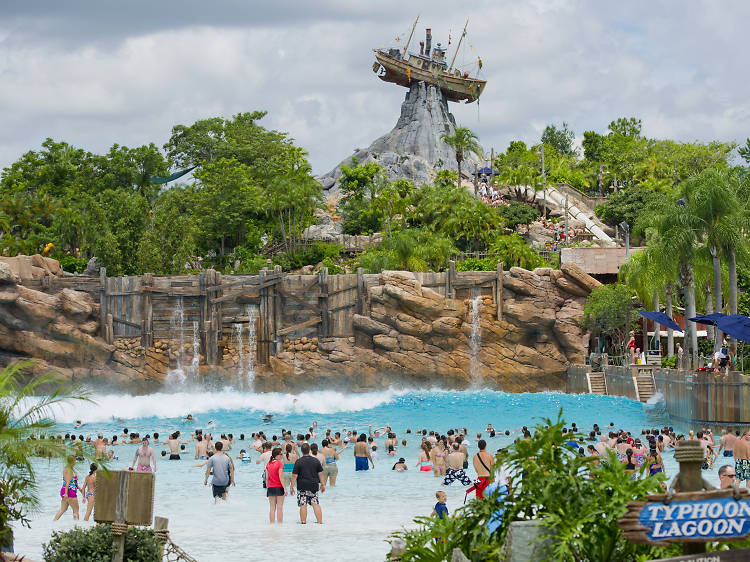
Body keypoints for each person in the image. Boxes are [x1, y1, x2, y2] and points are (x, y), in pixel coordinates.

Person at [290, 443, 325, 524]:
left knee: (303, 504)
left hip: (302, 485)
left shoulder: (299, 461)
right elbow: (321, 474)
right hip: (314, 485)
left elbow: (294, 476)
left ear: (301, 451)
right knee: (315, 503)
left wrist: (291, 487)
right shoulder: (315, 460)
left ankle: (303, 522)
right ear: (309, 450)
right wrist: (323, 484)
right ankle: (320, 522)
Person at [53, 456, 83, 521]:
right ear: (73, 461)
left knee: (63, 509)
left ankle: (53, 523)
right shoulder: (69, 470)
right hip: (70, 492)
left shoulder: (66, 469)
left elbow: (72, 482)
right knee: (76, 510)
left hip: (64, 490)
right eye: (75, 460)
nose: (75, 462)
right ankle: (76, 526)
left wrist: (79, 488)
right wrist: (66, 494)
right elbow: (68, 483)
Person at [265, 447, 286, 523]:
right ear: (276, 455)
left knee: (272, 508)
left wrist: (268, 488)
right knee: (280, 507)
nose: (282, 456)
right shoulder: (280, 464)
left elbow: (266, 478)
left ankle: (272, 525)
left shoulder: (268, 464)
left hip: (270, 487)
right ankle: (280, 526)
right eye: (281, 454)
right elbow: (281, 477)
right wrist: (285, 488)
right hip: (279, 487)